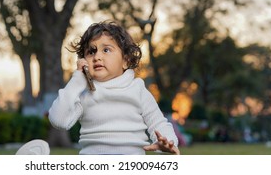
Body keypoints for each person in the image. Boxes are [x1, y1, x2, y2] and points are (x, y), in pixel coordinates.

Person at [48, 21, 180, 155]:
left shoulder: (137, 90)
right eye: (91, 52)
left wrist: (168, 142)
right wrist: (77, 80)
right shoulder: (84, 94)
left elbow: (158, 123)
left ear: (125, 61)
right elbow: (58, 120)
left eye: (106, 50)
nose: (97, 57)